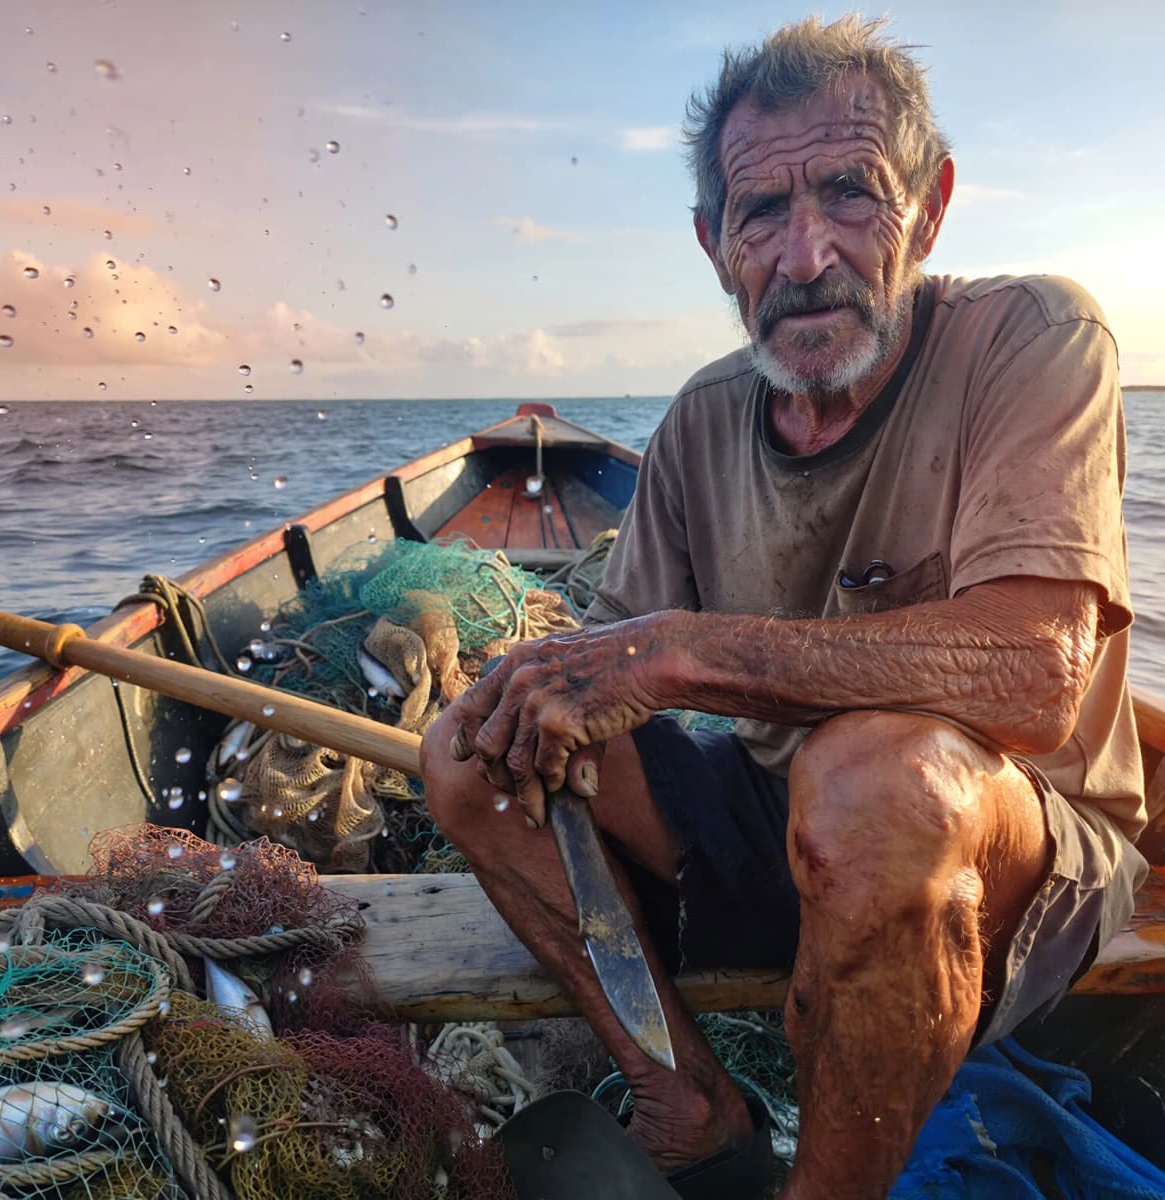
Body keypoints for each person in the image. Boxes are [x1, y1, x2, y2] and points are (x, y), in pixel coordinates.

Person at [421, 14, 1150, 1199]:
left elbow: (1035, 675)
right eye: (762, 213)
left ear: (929, 204)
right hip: (789, 814)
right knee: (472, 754)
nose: (805, 254)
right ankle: (688, 1096)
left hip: (1019, 849)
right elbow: (609, 658)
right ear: (716, 245)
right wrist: (546, 684)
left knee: (876, 782)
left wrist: (679, 653)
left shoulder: (1034, 336)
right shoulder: (706, 418)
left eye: (851, 194)